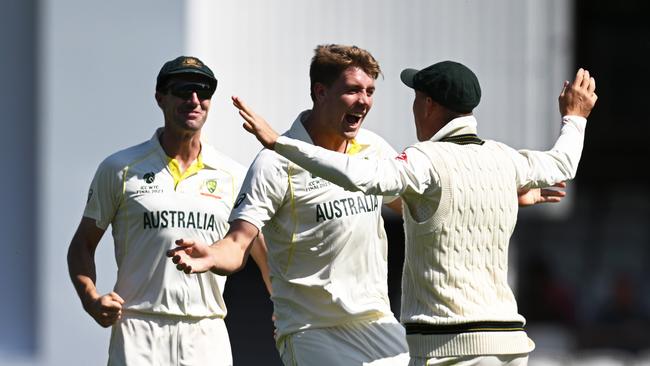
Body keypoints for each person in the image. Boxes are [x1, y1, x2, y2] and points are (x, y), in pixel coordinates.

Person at [229, 62, 597, 365]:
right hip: (510, 345)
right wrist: (575, 117)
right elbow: (562, 162)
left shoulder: (424, 160)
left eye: (416, 99)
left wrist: (281, 143)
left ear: (428, 106)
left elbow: (361, 174)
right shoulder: (504, 158)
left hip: (448, 348)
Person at [169, 44, 411, 365]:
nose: (364, 101)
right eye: (352, 90)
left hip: (378, 322)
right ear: (320, 92)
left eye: (370, 91)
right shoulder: (273, 163)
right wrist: (211, 255)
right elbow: (239, 242)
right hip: (312, 330)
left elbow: (413, 210)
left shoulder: (373, 147)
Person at [67, 56, 270, 366]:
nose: (194, 100)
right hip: (138, 329)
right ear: (160, 97)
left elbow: (260, 250)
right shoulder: (119, 169)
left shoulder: (233, 174)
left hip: (207, 331)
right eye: (183, 89)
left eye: (203, 91)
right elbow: (82, 244)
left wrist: (285, 310)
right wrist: (91, 298)